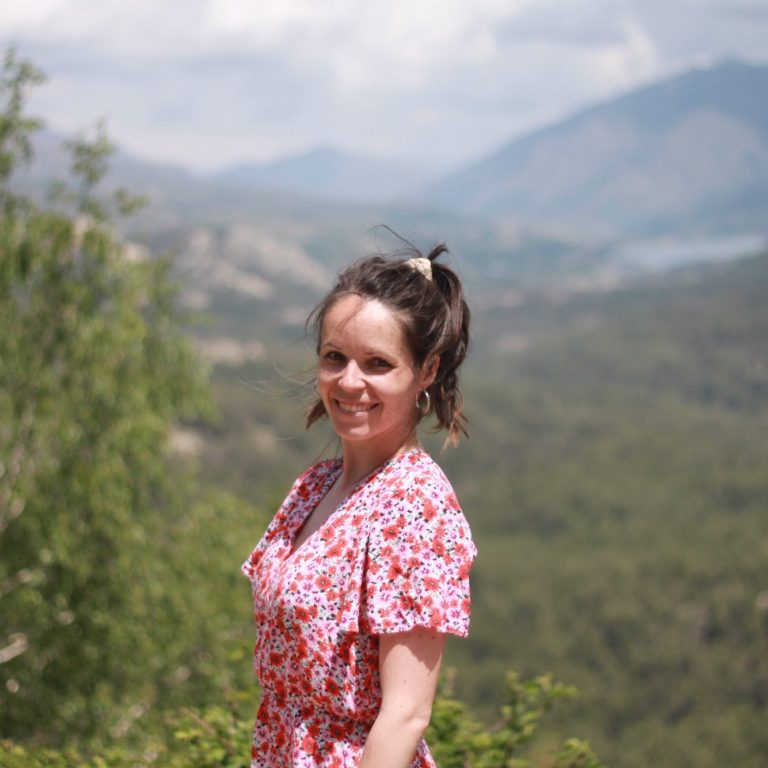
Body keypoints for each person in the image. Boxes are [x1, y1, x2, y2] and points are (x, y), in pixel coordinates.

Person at [242, 239, 476, 767]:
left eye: (377, 363)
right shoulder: (315, 486)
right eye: (335, 357)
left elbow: (405, 714)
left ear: (427, 371)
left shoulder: (414, 505)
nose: (350, 381)